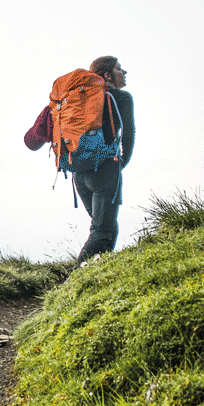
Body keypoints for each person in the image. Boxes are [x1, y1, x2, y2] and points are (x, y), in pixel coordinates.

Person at [75, 55, 135, 264]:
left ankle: (99, 273)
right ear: (107, 75)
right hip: (106, 171)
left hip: (79, 175)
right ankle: (70, 284)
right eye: (120, 68)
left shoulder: (75, 100)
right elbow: (128, 137)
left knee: (107, 227)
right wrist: (117, 167)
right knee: (101, 231)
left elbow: (32, 139)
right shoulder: (122, 98)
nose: (124, 72)